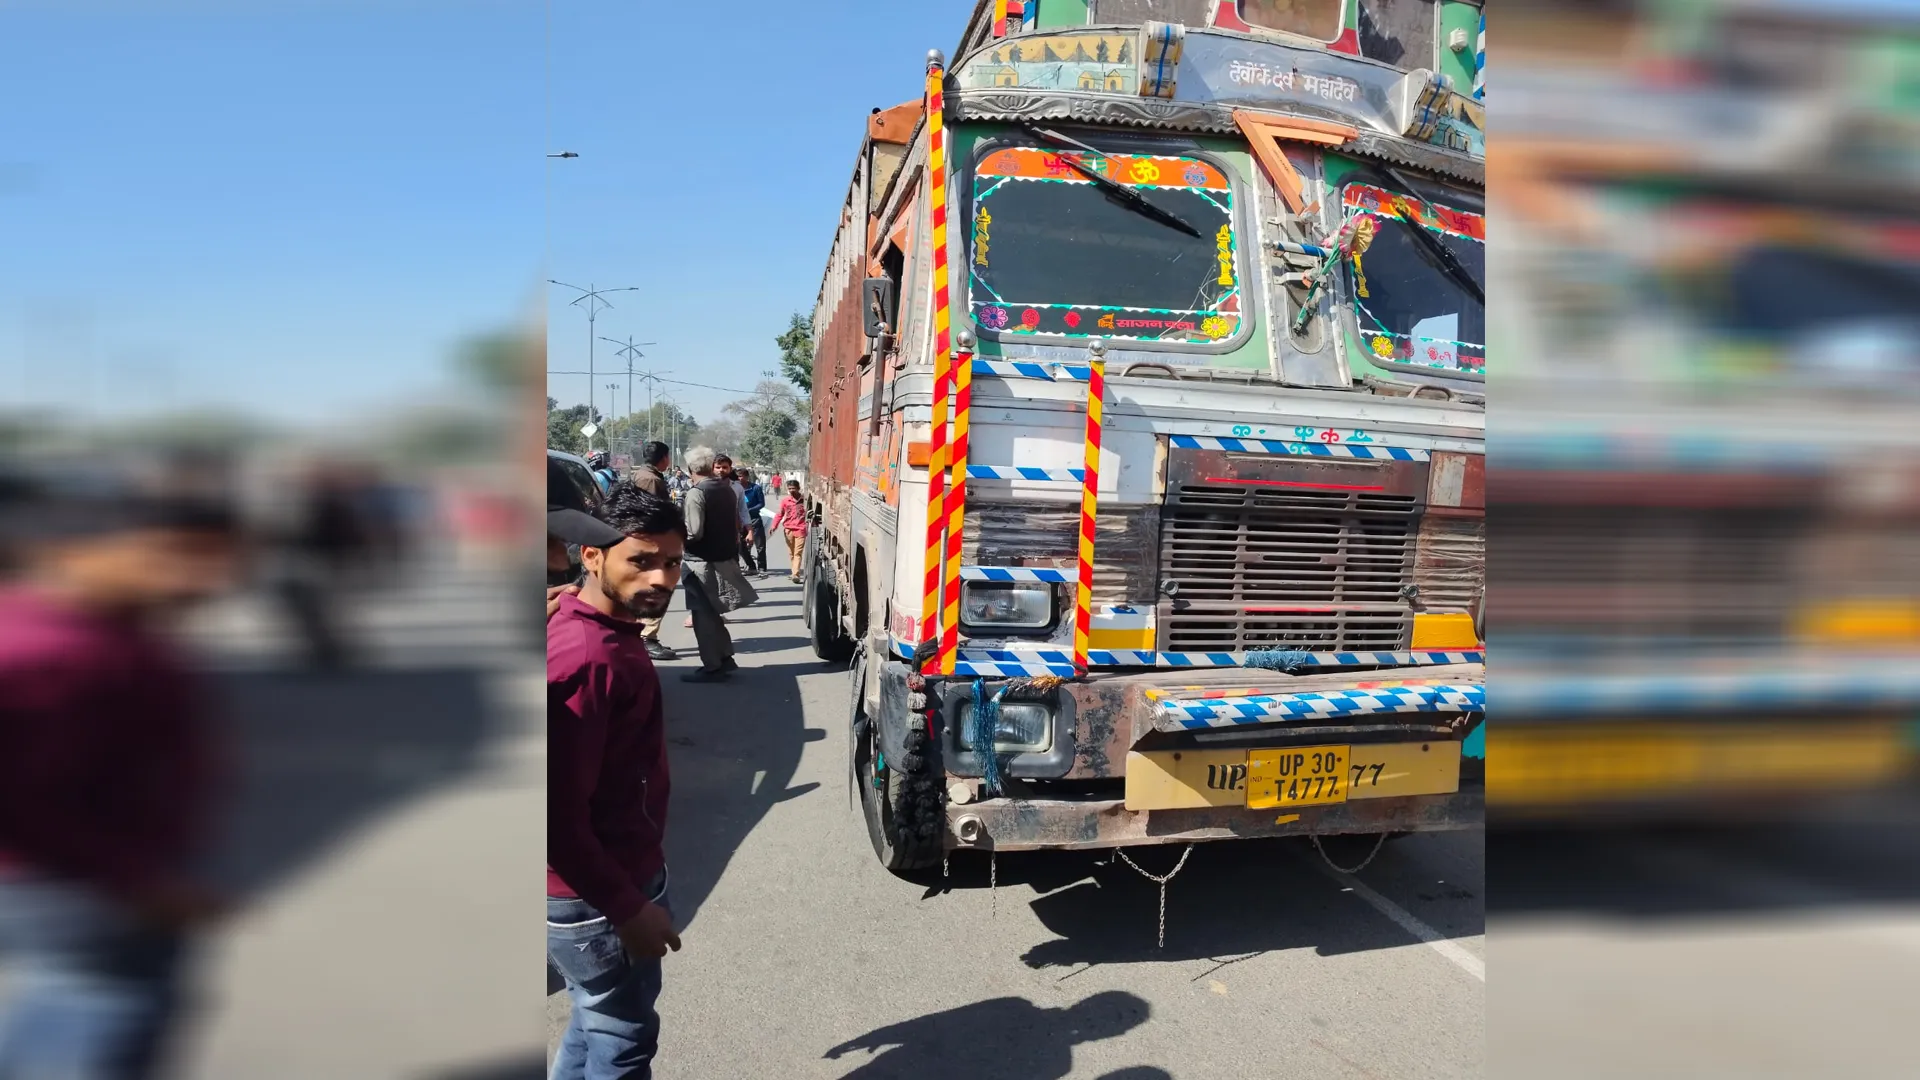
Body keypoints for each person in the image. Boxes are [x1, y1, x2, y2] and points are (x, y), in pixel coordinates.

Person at [0, 482, 243, 1080]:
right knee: (104, 1002)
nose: (207, 579)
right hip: (78, 886)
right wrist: (133, 885)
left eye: (225, 557)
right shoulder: (42, 653)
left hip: (94, 876)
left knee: (82, 1000)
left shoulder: (98, 628)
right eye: (173, 553)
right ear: (59, 550)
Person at [548, 482, 685, 1080]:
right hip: (599, 896)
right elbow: (553, 816)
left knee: (595, 1019)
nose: (661, 579)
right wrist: (627, 906)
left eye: (673, 562)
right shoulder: (587, 658)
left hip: (608, 880)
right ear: (592, 556)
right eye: (642, 560)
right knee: (622, 1040)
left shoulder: (598, 632)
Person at [679, 447, 757, 682]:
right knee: (711, 615)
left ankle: (712, 665)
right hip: (722, 557)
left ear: (691, 469)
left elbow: (694, 532)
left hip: (700, 563)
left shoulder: (696, 493)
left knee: (703, 617)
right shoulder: (726, 489)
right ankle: (724, 658)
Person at [624, 442, 677, 661]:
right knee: (657, 589)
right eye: (668, 456)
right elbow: (652, 515)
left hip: (640, 542)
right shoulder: (651, 480)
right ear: (663, 458)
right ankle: (647, 637)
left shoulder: (644, 474)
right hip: (649, 543)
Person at [771, 480, 808, 584]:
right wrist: (774, 525)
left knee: (798, 553)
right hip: (788, 530)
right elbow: (780, 514)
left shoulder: (804, 500)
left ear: (798, 488)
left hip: (800, 529)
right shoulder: (785, 501)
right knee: (791, 553)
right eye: (789, 489)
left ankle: (795, 574)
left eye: (793, 488)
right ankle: (794, 572)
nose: (791, 490)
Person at [739, 468, 768, 579]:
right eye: (738, 476)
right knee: (741, 547)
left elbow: (761, 503)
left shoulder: (755, 488)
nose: (739, 478)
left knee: (760, 546)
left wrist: (748, 511)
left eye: (741, 476)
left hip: (754, 519)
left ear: (747, 477)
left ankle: (762, 568)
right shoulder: (736, 489)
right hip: (740, 521)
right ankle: (751, 566)